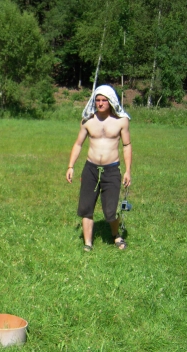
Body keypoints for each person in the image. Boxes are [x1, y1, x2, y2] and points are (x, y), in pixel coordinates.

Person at [66, 84, 132, 251]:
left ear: (111, 101)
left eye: (104, 100)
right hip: (91, 169)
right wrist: (71, 166)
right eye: (98, 100)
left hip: (112, 170)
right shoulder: (87, 121)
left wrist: (128, 171)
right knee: (86, 207)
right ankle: (88, 243)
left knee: (111, 210)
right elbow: (78, 144)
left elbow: (127, 145)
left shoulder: (121, 121)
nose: (100, 103)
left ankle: (116, 235)